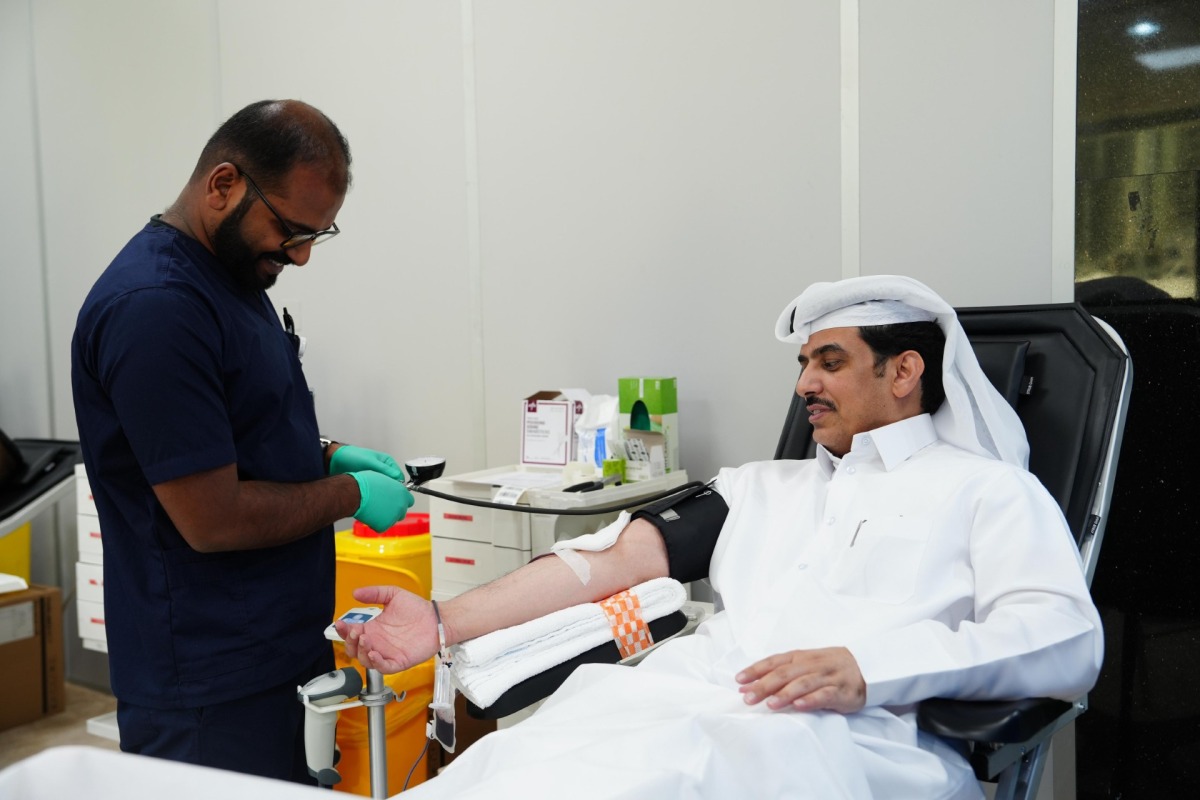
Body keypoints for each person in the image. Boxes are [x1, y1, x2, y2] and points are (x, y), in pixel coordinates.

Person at [338, 275, 1103, 799]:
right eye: (804, 363)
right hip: (675, 704)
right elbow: (608, 561)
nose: (804, 383)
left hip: (842, 742)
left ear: (903, 371)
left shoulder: (989, 491)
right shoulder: (760, 486)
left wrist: (870, 669)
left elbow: (1064, 636)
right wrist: (441, 620)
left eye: (829, 361)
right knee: (511, 765)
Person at [70, 99, 415, 783]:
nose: (302, 256)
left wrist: (324, 455)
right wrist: (349, 493)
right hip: (209, 681)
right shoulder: (157, 308)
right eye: (290, 231)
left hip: (275, 651)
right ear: (223, 184)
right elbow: (213, 519)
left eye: (317, 236)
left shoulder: (231, 275)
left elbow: (236, 425)